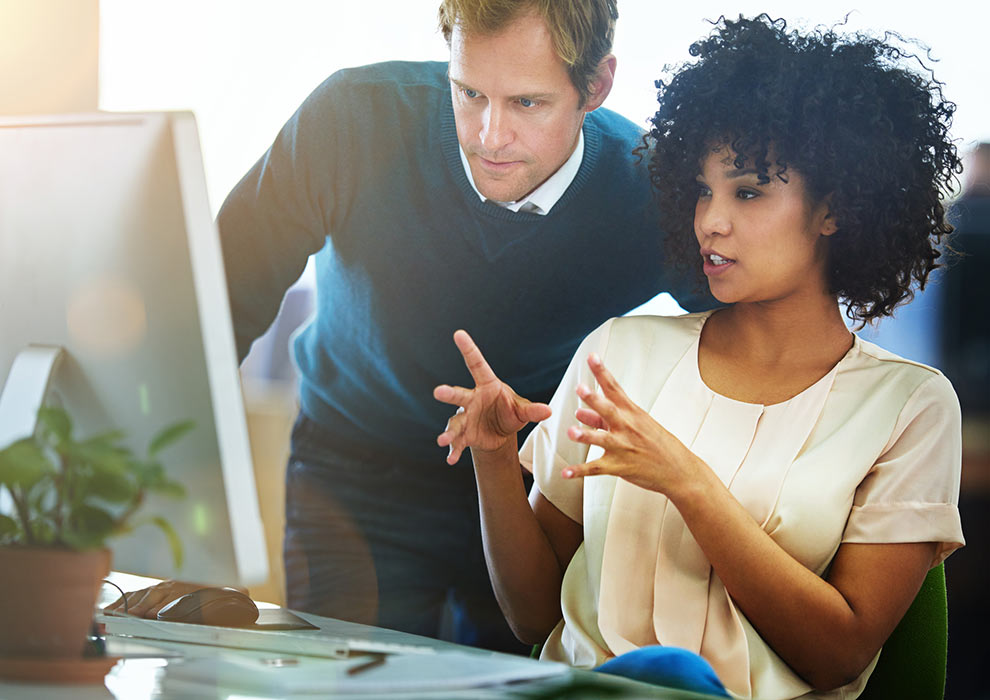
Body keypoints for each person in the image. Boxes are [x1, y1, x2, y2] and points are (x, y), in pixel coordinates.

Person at [106, 0, 711, 653]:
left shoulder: (646, 189)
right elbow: (221, 299)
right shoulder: (351, 118)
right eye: (469, 93)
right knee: (340, 683)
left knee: (509, 684)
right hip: (352, 467)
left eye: (527, 104)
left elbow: (752, 314)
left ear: (595, 86)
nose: (489, 133)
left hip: (520, 492)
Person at [434, 15, 965, 698]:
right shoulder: (620, 354)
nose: (711, 220)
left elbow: (839, 654)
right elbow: (531, 616)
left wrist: (690, 485)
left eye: (747, 192)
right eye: (704, 191)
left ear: (834, 208)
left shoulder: (908, 406)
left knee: (676, 679)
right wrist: (493, 458)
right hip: (583, 690)